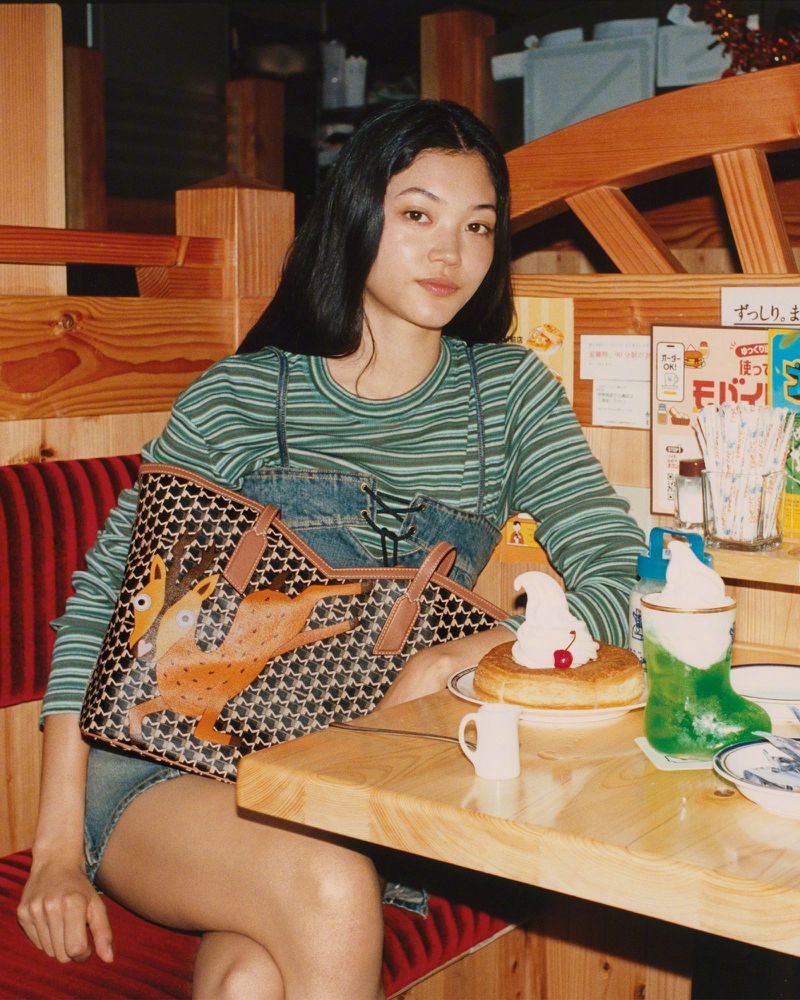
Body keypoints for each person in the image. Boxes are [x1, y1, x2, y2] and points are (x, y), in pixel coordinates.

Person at [17, 99, 645, 999]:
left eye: (478, 226)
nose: (450, 253)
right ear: (354, 216)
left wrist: (491, 651)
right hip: (171, 769)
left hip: (366, 780)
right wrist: (54, 852)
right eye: (418, 215)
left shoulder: (506, 394)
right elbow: (102, 608)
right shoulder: (241, 395)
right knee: (329, 884)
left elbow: (612, 563)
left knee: (250, 981)